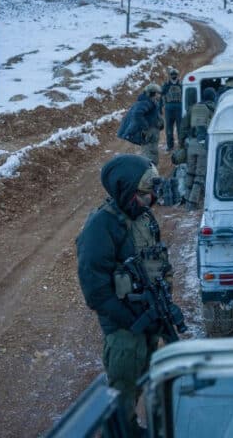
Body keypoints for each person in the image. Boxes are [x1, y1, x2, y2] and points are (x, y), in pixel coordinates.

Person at [76, 154, 173, 431]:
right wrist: (128, 317)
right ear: (125, 191)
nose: (151, 200)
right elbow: (95, 290)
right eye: (144, 194)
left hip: (148, 314)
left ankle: (129, 427)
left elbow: (157, 257)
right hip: (123, 326)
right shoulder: (101, 226)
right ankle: (118, 431)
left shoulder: (143, 217)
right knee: (123, 385)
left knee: (142, 374)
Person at [182, 87, 217, 209]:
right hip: (204, 144)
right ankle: (192, 202)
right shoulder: (214, 108)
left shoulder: (193, 107)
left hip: (192, 143)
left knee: (190, 172)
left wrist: (184, 142)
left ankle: (187, 198)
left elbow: (184, 125)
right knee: (200, 174)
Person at [117, 83, 163, 165]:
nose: (159, 95)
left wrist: (160, 122)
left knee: (151, 152)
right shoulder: (146, 102)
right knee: (149, 154)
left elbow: (154, 115)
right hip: (149, 134)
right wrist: (146, 128)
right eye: (158, 93)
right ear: (152, 93)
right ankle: (150, 173)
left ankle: (151, 171)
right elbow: (137, 114)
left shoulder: (152, 102)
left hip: (152, 133)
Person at [160, 67, 183, 152]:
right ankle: (170, 145)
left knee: (180, 128)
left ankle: (181, 144)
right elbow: (161, 97)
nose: (173, 76)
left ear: (177, 75)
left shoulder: (181, 85)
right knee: (169, 128)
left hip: (178, 107)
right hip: (169, 108)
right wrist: (159, 108)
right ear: (170, 75)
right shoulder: (166, 85)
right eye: (172, 74)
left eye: (175, 74)